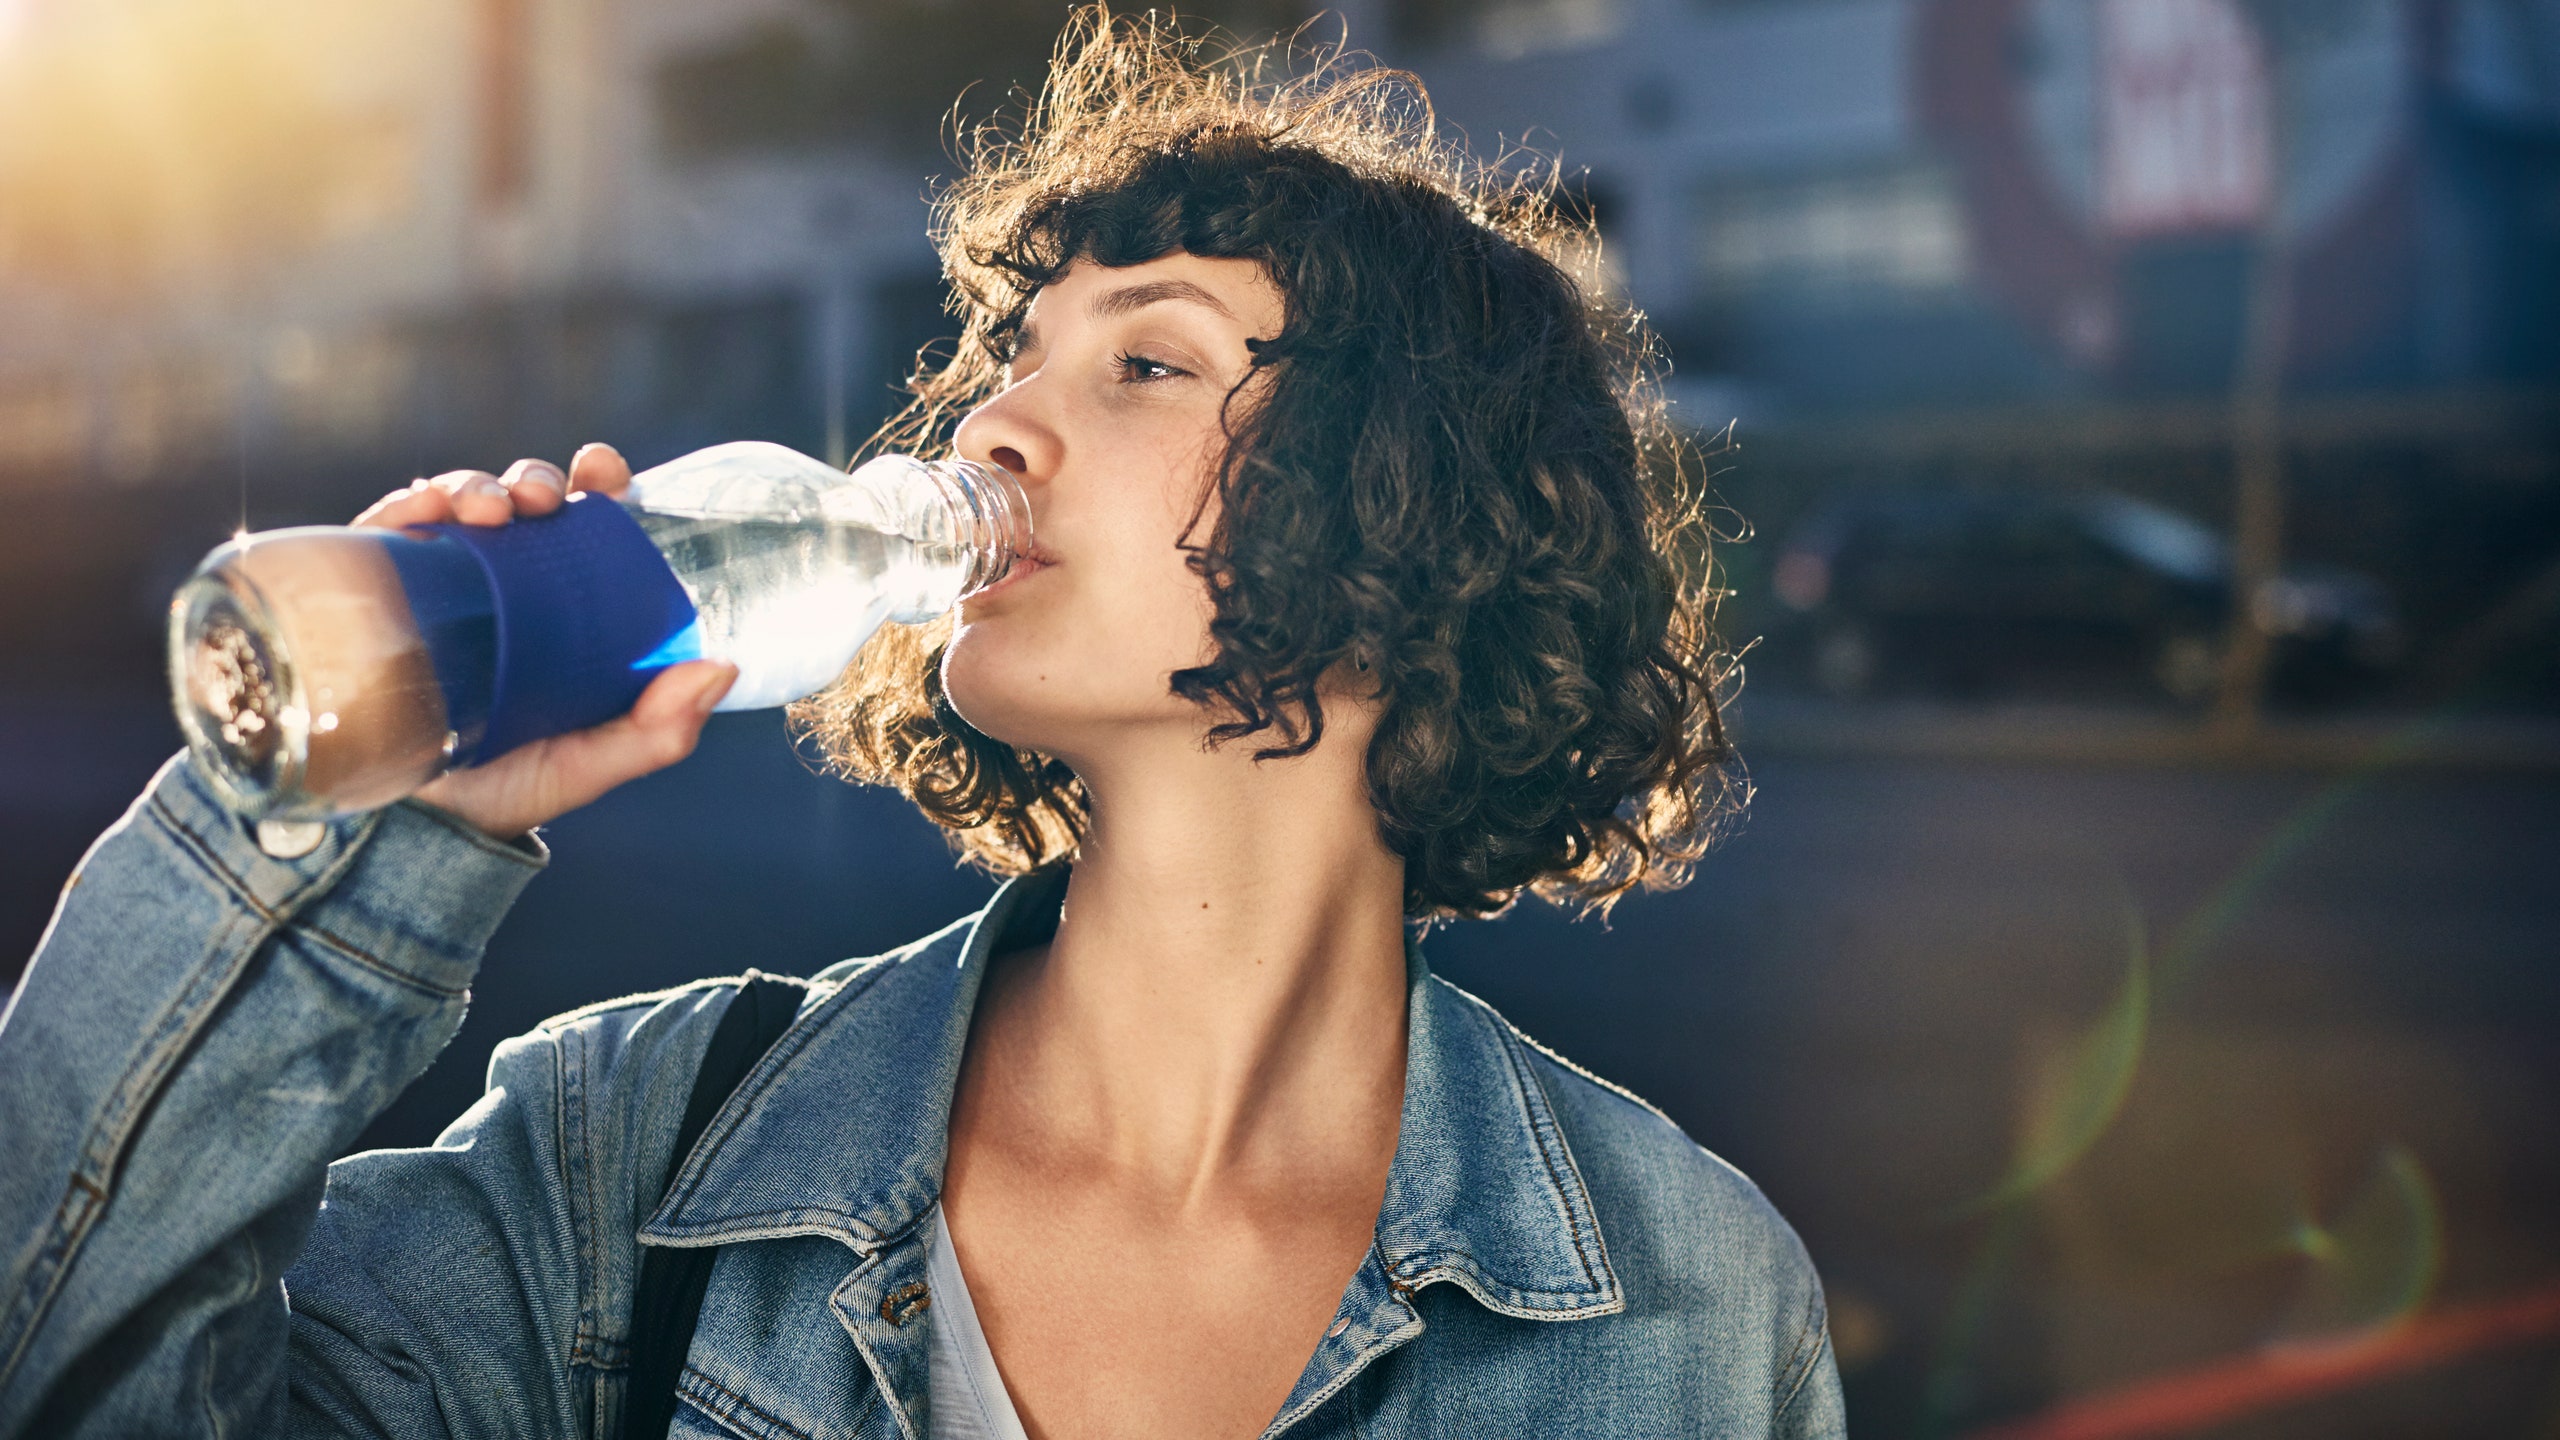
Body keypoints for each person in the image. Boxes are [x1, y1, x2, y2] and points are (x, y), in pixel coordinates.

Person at [0, 11, 1842, 1438]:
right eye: (1009, 361)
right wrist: (359, 818)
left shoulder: (1684, 1306)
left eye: (1147, 359)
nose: (992, 430)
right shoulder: (627, 1158)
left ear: (1410, 502)